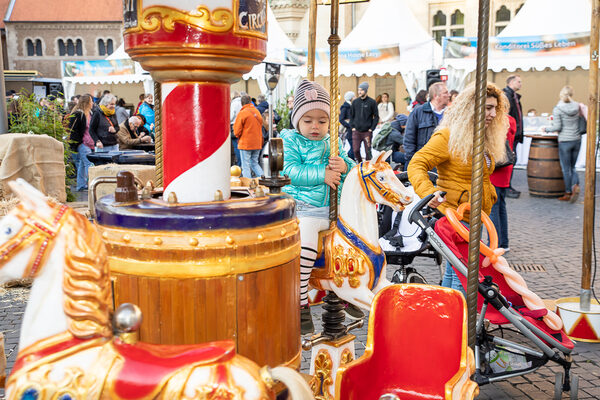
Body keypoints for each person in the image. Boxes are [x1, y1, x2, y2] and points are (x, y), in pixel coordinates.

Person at [408, 83, 509, 293]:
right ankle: (458, 322)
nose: (492, 113)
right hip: (455, 216)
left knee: (455, 273)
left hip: (475, 215)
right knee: (462, 276)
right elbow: (417, 163)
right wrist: (429, 193)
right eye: (488, 107)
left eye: (495, 109)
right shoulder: (447, 136)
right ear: (471, 108)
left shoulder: (481, 136)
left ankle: (444, 317)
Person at [280, 80, 356, 335]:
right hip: (304, 208)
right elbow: (289, 170)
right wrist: (322, 174)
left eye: (322, 121)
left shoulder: (331, 143)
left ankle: (349, 292)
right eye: (308, 120)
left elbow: (349, 164)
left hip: (331, 210)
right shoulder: (290, 141)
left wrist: (344, 168)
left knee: (353, 243)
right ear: (297, 122)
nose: (315, 126)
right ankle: (300, 302)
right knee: (308, 246)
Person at [542, 85, 583, 203]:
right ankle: (576, 185)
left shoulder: (558, 108)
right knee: (573, 166)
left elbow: (557, 127)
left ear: (561, 95)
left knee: (566, 169)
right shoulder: (577, 106)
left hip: (565, 141)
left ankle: (568, 192)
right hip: (576, 140)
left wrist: (546, 129)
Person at [403, 82, 450, 167]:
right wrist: (414, 162)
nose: (449, 95)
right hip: (424, 163)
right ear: (436, 96)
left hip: (446, 165)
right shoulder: (418, 112)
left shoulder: (452, 113)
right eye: (445, 93)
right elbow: (409, 139)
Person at [490, 115, 517, 252]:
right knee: (500, 207)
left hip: (497, 169)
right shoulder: (510, 120)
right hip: (505, 169)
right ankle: (503, 243)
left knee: (494, 207)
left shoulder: (499, 121)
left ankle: (494, 244)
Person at [66, 94, 95, 191]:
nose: (92, 103)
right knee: (89, 164)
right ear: (87, 103)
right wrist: (77, 143)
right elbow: (73, 130)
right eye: (91, 101)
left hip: (89, 142)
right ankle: (91, 184)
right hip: (82, 142)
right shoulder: (79, 114)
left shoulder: (89, 113)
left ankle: (81, 185)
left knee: (83, 164)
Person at [503, 75, 523, 199]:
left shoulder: (514, 96)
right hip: (510, 134)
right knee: (508, 159)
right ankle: (506, 186)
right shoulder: (506, 96)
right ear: (511, 82)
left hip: (514, 134)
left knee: (512, 159)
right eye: (519, 82)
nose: (521, 84)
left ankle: (508, 185)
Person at [233, 94, 263, 178]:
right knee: (254, 163)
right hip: (257, 143)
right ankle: (263, 179)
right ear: (250, 101)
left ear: (242, 103)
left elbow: (236, 131)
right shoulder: (257, 111)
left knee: (245, 166)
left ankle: (248, 184)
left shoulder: (242, 113)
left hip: (245, 143)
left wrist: (237, 135)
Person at [350, 82, 379, 163]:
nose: (359, 92)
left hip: (367, 132)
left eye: (362, 90)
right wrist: (352, 127)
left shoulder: (372, 102)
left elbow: (376, 116)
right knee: (355, 150)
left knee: (368, 152)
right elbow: (351, 115)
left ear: (366, 91)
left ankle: (368, 167)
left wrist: (371, 128)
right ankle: (360, 164)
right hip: (356, 132)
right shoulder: (355, 102)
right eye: (358, 90)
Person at [339, 91, 355, 160]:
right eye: (354, 96)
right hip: (348, 131)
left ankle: (349, 159)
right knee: (353, 147)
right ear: (350, 98)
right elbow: (341, 119)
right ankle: (349, 159)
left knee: (354, 147)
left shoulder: (352, 106)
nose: (355, 98)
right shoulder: (345, 107)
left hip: (353, 130)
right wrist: (349, 125)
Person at [230, 91, 244, 166]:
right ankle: (241, 164)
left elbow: (231, 116)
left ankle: (239, 164)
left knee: (236, 146)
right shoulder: (242, 102)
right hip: (242, 125)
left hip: (234, 125)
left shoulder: (234, 103)